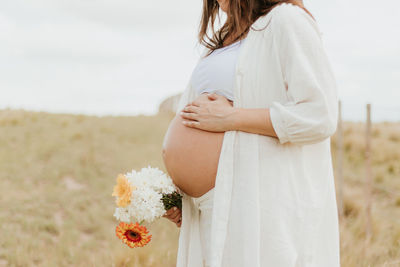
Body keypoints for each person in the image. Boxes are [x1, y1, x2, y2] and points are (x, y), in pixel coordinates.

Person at [164, 0, 340, 266]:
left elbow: (320, 115)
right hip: (207, 206)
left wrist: (232, 117)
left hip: (257, 202)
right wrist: (180, 193)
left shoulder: (286, 21)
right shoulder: (222, 39)